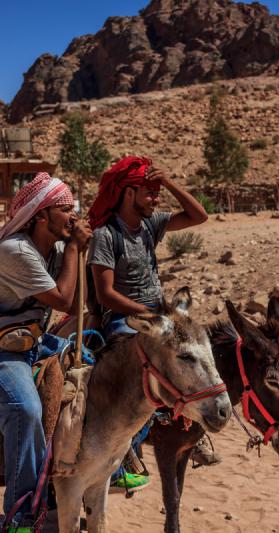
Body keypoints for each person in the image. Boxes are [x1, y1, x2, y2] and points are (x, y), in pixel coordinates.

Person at [0, 173, 91, 530]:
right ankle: (20, 513)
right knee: (25, 409)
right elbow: (63, 299)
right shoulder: (15, 252)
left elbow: (75, 304)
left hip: (33, 341)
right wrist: (76, 249)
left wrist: (77, 252)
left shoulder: (56, 251)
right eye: (65, 209)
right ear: (41, 215)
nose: (74, 216)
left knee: (100, 372)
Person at [87, 156, 221, 470]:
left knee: (196, 350)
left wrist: (169, 182)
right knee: (146, 367)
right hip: (124, 319)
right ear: (128, 193)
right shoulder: (106, 235)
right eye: (150, 192)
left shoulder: (149, 224)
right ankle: (126, 450)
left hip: (160, 316)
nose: (156, 199)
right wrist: (149, 316)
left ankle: (192, 428)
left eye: (158, 192)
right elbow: (106, 294)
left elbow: (199, 216)